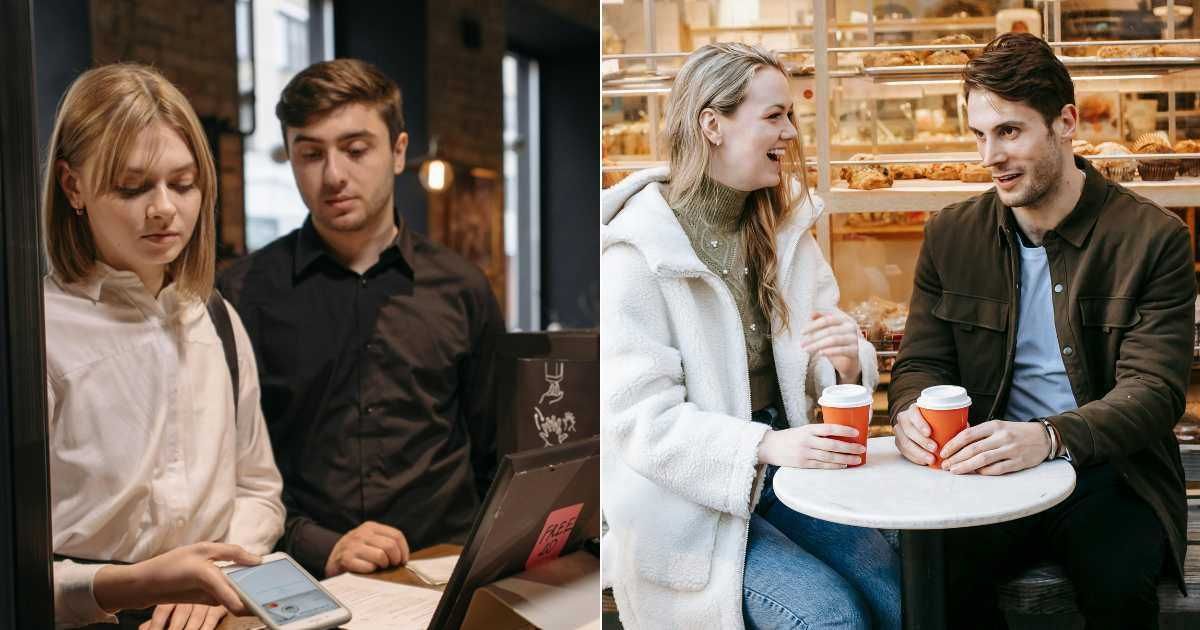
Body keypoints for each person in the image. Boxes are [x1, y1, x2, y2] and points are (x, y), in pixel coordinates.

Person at [889, 33, 1192, 629]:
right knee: (934, 587)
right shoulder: (951, 234)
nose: (989, 157)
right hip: (984, 473)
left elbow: (1154, 392)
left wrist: (1049, 437)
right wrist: (908, 413)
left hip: (1109, 471)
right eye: (979, 135)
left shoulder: (1153, 239)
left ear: (1066, 123)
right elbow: (921, 364)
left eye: (1010, 132)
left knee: (1119, 589)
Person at [600, 43, 901, 630]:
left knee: (896, 590)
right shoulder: (637, 252)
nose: (791, 131)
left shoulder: (785, 231)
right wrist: (760, 446)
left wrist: (843, 363)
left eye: (790, 115)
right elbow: (642, 422)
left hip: (790, 474)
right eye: (774, 116)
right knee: (829, 617)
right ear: (712, 124)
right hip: (689, 507)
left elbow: (826, 368)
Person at [217, 59, 504, 579]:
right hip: (305, 574)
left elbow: (494, 450)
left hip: (448, 565)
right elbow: (228, 472)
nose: (333, 175)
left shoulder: (463, 288)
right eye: (310, 153)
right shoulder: (240, 294)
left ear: (397, 152)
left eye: (355, 150)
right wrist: (316, 544)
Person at [43, 63, 285, 630]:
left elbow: (259, 490)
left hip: (218, 610)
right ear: (72, 185)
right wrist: (145, 583)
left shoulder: (218, 318)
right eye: (133, 187)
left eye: (183, 183)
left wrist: (217, 572)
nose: (164, 209)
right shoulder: (39, 333)